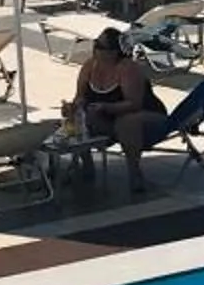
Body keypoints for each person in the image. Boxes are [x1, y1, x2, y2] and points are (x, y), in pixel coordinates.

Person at [70, 27, 165, 195]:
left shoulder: (128, 68)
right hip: (108, 117)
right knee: (78, 118)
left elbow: (134, 103)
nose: (95, 48)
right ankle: (86, 164)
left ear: (114, 52)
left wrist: (106, 107)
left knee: (127, 122)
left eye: (100, 46)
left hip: (147, 116)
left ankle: (135, 173)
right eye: (96, 44)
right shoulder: (89, 66)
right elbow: (80, 97)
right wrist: (74, 106)